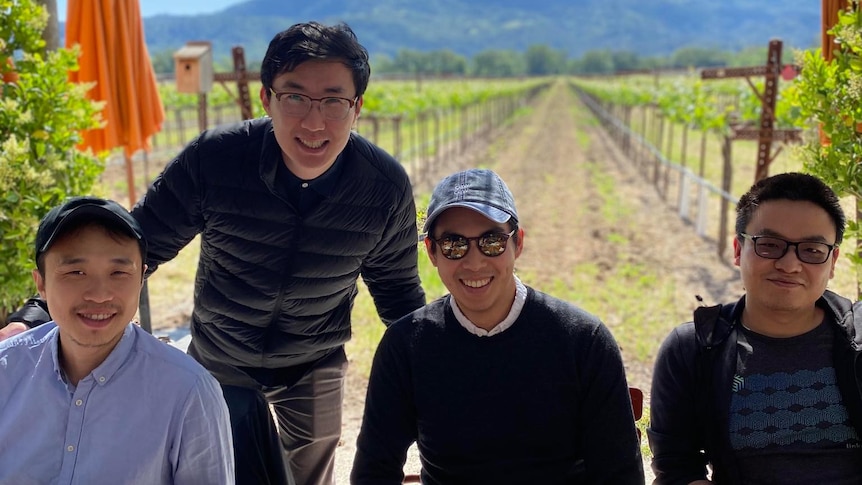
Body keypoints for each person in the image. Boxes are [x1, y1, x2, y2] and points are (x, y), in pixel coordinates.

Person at [3, 21, 425, 485]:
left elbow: (397, 291)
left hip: (314, 358)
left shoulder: (382, 188)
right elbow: (139, 244)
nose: (313, 121)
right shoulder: (216, 160)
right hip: (221, 354)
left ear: (357, 106)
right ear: (266, 98)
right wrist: (37, 313)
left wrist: (432, 365)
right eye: (295, 96)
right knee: (219, 469)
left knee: (310, 473)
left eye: (333, 100)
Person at [351, 168, 644, 484]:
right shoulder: (407, 345)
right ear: (432, 252)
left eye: (492, 242)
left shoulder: (583, 341)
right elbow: (374, 470)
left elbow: (619, 474)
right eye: (454, 244)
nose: (474, 262)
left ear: (517, 243)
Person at [0, 196, 234, 484]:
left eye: (118, 272)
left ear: (141, 280)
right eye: (76, 272)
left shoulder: (188, 393)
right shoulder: (6, 371)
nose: (99, 295)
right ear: (41, 284)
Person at [648, 172, 862, 484]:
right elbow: (676, 467)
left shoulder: (858, 337)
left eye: (812, 250)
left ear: (833, 262)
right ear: (738, 250)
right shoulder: (694, 349)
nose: (789, 265)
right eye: (770, 245)